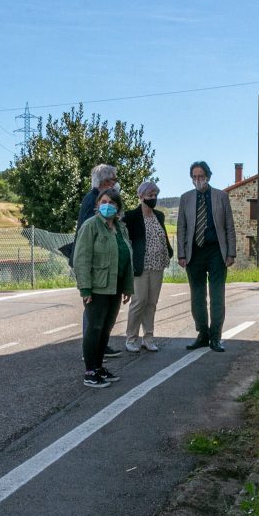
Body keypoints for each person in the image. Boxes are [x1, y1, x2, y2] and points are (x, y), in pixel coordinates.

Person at [72, 188, 134, 387]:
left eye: (112, 202)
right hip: (97, 287)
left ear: (118, 207)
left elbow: (126, 257)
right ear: (98, 204)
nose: (107, 205)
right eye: (103, 201)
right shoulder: (91, 226)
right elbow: (81, 258)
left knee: (105, 329)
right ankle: (90, 372)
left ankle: (99, 368)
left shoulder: (120, 228)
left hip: (115, 285)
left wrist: (127, 287)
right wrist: (85, 289)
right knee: (94, 328)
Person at [176, 161, 236, 352]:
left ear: (208, 177)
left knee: (217, 295)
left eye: (201, 176)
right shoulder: (185, 198)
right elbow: (181, 227)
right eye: (194, 176)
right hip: (194, 252)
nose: (197, 180)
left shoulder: (221, 197)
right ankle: (202, 334)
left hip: (217, 251)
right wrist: (181, 254)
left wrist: (231, 252)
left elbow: (229, 226)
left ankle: (216, 337)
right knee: (197, 296)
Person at [77, 164, 122, 358]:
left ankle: (99, 348)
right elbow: (89, 236)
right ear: (105, 182)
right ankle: (91, 351)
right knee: (94, 312)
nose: (115, 184)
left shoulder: (98, 198)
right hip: (95, 268)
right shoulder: (93, 200)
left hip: (102, 267)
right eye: (113, 180)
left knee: (100, 314)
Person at [123, 181, 173, 352]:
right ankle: (131, 338)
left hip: (158, 264)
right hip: (140, 265)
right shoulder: (131, 216)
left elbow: (162, 236)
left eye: (155, 195)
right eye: (149, 195)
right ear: (141, 196)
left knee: (151, 302)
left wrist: (169, 251)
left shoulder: (159, 215)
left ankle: (148, 338)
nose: (153, 198)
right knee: (139, 301)